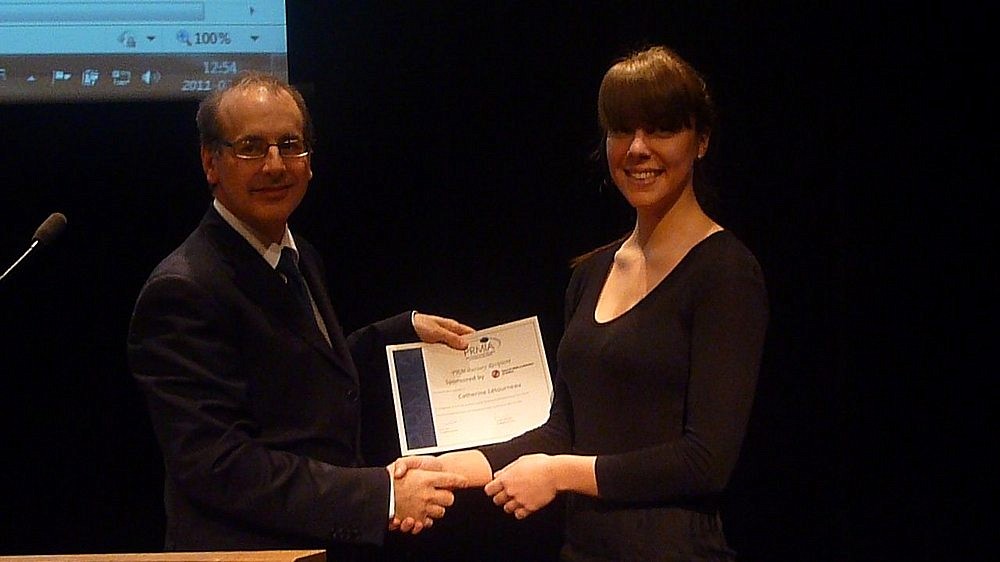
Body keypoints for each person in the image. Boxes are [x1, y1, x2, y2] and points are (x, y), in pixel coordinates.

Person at [398, 45, 769, 560]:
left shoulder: (725, 272)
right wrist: (458, 465)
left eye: (661, 129)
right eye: (622, 130)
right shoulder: (592, 273)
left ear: (701, 140)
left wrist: (559, 473)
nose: (637, 149)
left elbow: (706, 460)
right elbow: (562, 430)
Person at [126, 71, 473, 559]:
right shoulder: (183, 291)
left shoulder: (297, 253)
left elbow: (290, 371)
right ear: (211, 161)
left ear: (310, 159)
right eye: (251, 147)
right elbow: (221, 465)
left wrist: (394, 334)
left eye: (290, 145)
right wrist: (382, 495)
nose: (275, 165)